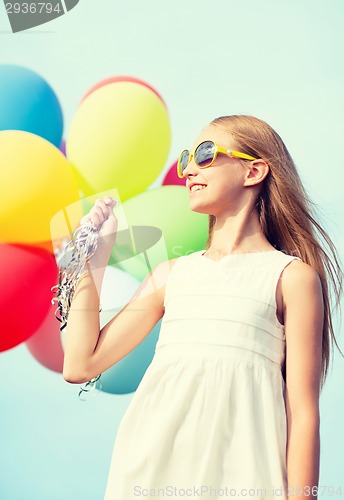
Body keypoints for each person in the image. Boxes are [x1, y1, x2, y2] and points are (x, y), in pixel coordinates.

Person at [63, 115, 343, 500]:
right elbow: (80, 365)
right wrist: (94, 260)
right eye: (185, 160)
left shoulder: (291, 278)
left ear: (254, 171)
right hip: (149, 474)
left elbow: (303, 413)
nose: (189, 169)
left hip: (247, 475)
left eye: (205, 154)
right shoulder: (170, 276)